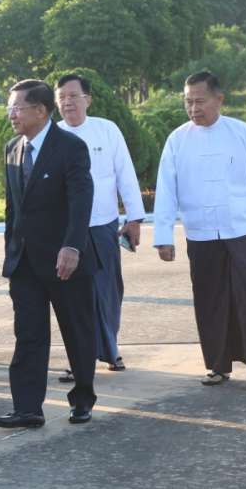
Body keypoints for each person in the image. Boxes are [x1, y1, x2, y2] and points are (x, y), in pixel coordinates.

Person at [153, 70, 246, 389]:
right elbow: (166, 190)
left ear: (218, 100)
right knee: (209, 298)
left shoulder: (242, 133)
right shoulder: (177, 140)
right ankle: (218, 365)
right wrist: (163, 236)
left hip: (241, 229)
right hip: (200, 232)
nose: (194, 108)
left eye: (200, 101)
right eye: (188, 102)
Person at [0, 80, 97, 429]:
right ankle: (27, 408)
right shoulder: (12, 148)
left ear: (40, 110)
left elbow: (81, 201)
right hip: (24, 262)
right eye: (10, 108)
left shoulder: (70, 147)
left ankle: (82, 398)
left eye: (17, 107)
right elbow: (13, 209)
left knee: (77, 330)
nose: (11, 114)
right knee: (28, 334)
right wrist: (10, 252)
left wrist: (72, 246)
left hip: (63, 260)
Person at [55, 74, 145, 377]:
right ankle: (77, 358)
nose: (68, 102)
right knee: (73, 296)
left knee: (108, 290)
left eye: (73, 96)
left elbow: (125, 174)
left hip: (104, 224)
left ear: (87, 99)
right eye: (62, 97)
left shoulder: (107, 130)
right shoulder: (52, 136)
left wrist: (134, 218)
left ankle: (110, 350)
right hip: (67, 230)